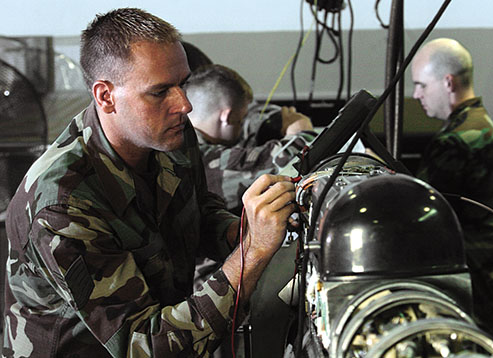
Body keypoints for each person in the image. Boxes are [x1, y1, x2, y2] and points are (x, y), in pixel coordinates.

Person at [2, 8, 297, 357]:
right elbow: (146, 346)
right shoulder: (63, 204)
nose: (184, 105)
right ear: (105, 96)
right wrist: (252, 252)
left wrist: (249, 228)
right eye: (159, 92)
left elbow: (198, 212)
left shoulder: (167, 135)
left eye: (183, 84)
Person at [411, 38, 493, 334]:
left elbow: (417, 213)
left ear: (448, 82)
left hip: (461, 286)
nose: (416, 94)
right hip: (477, 279)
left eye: (422, 85)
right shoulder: (477, 124)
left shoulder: (456, 140)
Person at [185, 64, 316, 215]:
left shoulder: (181, 139)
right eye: (239, 120)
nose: (240, 128)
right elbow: (282, 163)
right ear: (226, 117)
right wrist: (302, 133)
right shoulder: (200, 158)